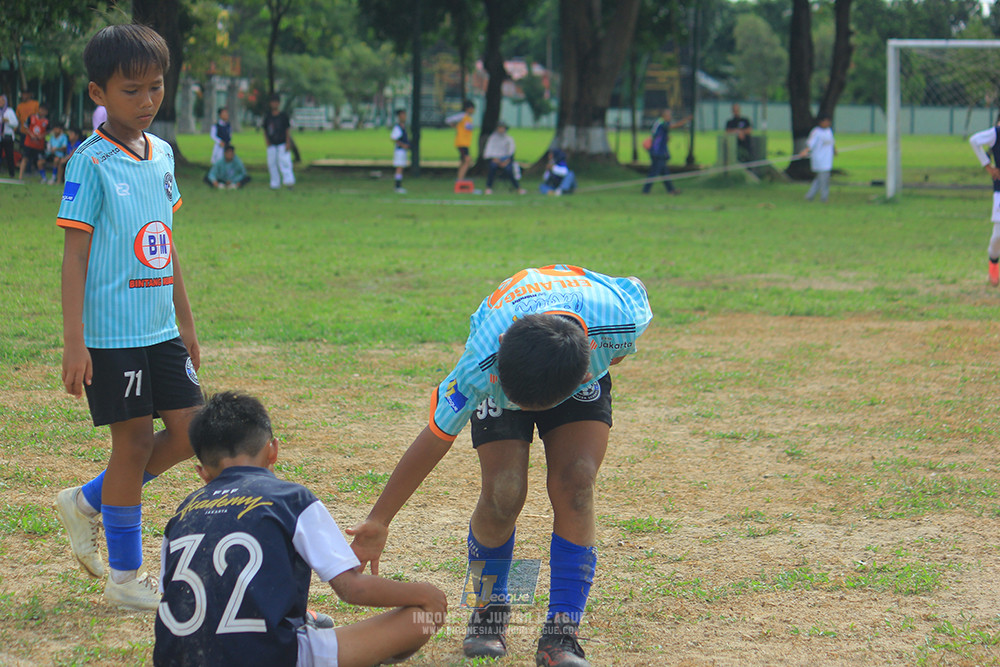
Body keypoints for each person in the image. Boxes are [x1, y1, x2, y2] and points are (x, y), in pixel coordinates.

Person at [348, 265, 653, 667]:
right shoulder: (481, 365)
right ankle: (489, 610)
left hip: (572, 356)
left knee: (577, 483)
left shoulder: (618, 320)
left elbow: (638, 291)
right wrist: (379, 519)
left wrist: (598, 365)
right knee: (503, 493)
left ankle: (561, 631)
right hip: (513, 360)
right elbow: (436, 436)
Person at [53, 24, 203, 613]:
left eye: (156, 89)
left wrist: (186, 323)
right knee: (135, 443)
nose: (146, 103)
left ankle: (88, 500)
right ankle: (124, 576)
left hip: (161, 329)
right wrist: (75, 342)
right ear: (99, 93)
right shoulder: (88, 163)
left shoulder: (161, 153)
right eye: (131, 91)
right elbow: (75, 256)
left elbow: (166, 243)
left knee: (193, 431)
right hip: (113, 337)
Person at [154, 391, 447, 667]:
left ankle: (302, 621)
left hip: (178, 657)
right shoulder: (290, 498)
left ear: (202, 472)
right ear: (273, 451)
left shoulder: (182, 514)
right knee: (423, 616)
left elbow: (174, 598)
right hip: (276, 656)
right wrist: (425, 594)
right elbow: (352, 589)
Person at [967, 114, 1000, 286]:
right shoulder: (996, 133)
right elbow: (974, 141)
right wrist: (988, 166)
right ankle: (993, 264)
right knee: (998, 236)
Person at [641, 108, 689, 195]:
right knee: (654, 172)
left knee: (664, 172)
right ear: (664, 116)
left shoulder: (659, 122)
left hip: (659, 152)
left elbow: (658, 136)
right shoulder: (662, 122)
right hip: (657, 152)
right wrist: (685, 121)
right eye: (669, 115)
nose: (670, 117)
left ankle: (670, 190)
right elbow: (672, 127)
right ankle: (646, 190)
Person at [797, 115, 836, 204]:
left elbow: (832, 142)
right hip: (819, 159)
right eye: (825, 121)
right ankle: (824, 198)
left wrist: (834, 150)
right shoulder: (816, 132)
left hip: (828, 159)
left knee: (819, 179)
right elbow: (810, 144)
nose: (827, 123)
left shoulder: (829, 131)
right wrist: (805, 151)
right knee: (824, 180)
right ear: (821, 122)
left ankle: (809, 196)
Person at [483, 122, 525, 195]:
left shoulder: (509, 139)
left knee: (509, 170)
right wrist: (496, 160)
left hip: (506, 160)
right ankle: (488, 187)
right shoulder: (492, 138)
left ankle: (518, 188)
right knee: (492, 167)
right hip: (495, 159)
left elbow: (511, 152)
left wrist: (506, 161)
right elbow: (488, 152)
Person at [263, 93, 294, 190]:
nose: (274, 104)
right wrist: (267, 141)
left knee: (285, 162)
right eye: (273, 102)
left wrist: (288, 142)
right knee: (272, 164)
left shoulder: (283, 116)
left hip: (282, 143)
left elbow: (287, 130)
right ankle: (275, 183)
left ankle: (289, 182)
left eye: (276, 102)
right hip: (272, 143)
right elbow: (265, 129)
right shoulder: (268, 116)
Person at [18, 102, 49, 181]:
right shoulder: (31, 117)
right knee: (25, 158)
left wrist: (41, 136)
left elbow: (48, 131)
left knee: (39, 161)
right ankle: (20, 177)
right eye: (41, 109)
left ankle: (43, 177)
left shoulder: (46, 122)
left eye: (44, 110)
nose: (42, 111)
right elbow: (25, 127)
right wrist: (31, 134)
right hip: (29, 142)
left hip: (39, 144)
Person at [447, 99, 475, 182]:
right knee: (467, 160)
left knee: (463, 161)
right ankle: (460, 179)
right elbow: (448, 120)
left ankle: (460, 178)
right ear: (468, 108)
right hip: (461, 142)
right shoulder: (462, 116)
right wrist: (454, 126)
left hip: (466, 143)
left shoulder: (469, 118)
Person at [390, 108, 410, 194]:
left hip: (403, 151)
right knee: (399, 168)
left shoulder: (403, 127)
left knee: (401, 168)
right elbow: (393, 138)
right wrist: (403, 145)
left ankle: (399, 186)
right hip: (399, 151)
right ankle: (397, 186)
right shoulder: (397, 127)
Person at [15, 89, 38, 154]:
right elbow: (18, 119)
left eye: (25, 94)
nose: (23, 96)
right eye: (23, 94)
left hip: (33, 132)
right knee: (23, 150)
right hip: (23, 131)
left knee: (33, 151)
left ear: (29, 95)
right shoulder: (20, 106)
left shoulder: (35, 104)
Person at [0, 94, 17, 178]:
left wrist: (8, 121)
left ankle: (12, 173)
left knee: (9, 155)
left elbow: (15, 124)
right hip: (0, 136)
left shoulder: (9, 111)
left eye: (2, 101)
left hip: (8, 136)